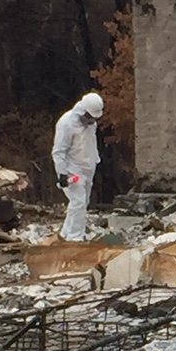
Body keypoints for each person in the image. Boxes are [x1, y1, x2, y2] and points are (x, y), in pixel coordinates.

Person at [51, 91, 104, 240]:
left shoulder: (91, 124)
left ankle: (65, 234)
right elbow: (59, 151)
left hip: (88, 167)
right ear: (83, 111)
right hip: (72, 170)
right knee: (78, 202)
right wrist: (62, 173)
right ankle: (75, 238)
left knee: (82, 203)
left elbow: (89, 145)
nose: (92, 120)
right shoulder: (66, 123)